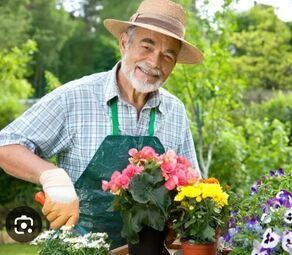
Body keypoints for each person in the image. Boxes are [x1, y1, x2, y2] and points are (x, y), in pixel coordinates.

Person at [0, 0, 203, 249]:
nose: (154, 62)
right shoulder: (75, 97)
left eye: (167, 55)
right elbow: (6, 145)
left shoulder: (175, 111)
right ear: (124, 44)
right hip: (79, 248)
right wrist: (52, 177)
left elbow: (193, 185)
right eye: (146, 46)